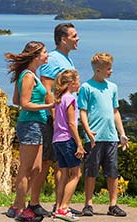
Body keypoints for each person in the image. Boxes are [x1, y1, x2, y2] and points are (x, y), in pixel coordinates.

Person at [31, 23, 80, 217]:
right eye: (74, 36)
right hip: (55, 121)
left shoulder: (65, 59)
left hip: (61, 121)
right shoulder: (53, 59)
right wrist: (55, 117)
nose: (78, 39)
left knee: (62, 164)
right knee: (47, 162)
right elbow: (47, 89)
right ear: (63, 39)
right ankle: (34, 203)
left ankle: (60, 205)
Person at [4, 41, 55, 222]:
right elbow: (24, 103)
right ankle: (19, 209)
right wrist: (48, 105)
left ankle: (16, 205)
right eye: (45, 52)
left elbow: (17, 100)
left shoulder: (32, 75)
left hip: (37, 124)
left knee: (37, 168)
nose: (47, 55)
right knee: (26, 169)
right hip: (30, 124)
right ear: (36, 56)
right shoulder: (28, 76)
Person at [78, 52, 128, 218]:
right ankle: (88, 204)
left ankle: (113, 205)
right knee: (91, 172)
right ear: (98, 70)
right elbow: (82, 112)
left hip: (111, 137)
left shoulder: (112, 87)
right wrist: (87, 131)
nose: (111, 71)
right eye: (108, 68)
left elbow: (115, 112)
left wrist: (122, 133)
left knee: (112, 172)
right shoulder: (86, 87)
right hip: (94, 138)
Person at [51, 69, 85, 221]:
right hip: (67, 140)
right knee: (76, 174)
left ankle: (58, 207)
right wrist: (79, 143)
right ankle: (64, 208)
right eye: (78, 82)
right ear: (72, 83)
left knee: (64, 173)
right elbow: (72, 123)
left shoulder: (59, 99)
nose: (79, 84)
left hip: (57, 140)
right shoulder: (70, 99)